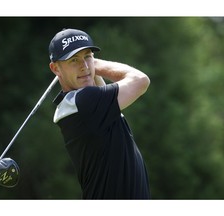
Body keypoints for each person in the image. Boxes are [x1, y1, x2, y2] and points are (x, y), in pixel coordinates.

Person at [48, 28, 151, 199]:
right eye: (74, 60)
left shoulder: (78, 104)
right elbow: (140, 81)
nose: (84, 66)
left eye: (87, 56)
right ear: (56, 68)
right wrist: (96, 65)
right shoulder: (84, 102)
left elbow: (99, 88)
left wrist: (88, 67)